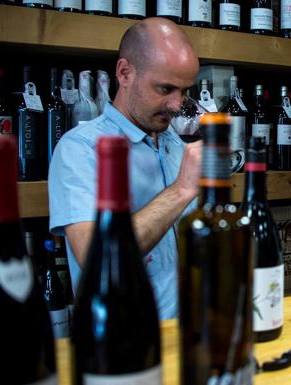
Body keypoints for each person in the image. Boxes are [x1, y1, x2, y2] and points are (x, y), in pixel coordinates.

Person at [48, 18, 202, 320]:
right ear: (125, 73)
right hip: (125, 347)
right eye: (166, 88)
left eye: (184, 91)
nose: (176, 104)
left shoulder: (175, 144)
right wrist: (182, 190)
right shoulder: (80, 149)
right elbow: (96, 257)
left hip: (194, 336)